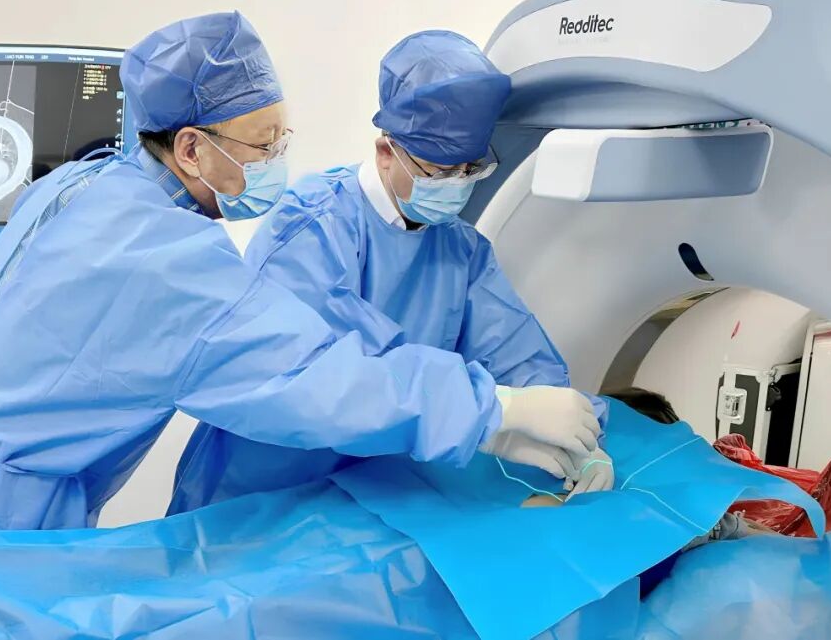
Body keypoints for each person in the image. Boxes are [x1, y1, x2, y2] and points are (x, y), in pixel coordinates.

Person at [0, 13, 599, 534]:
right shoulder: (166, 260)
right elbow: (314, 374)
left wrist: (549, 411)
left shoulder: (84, 185)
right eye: (263, 145)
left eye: (281, 138)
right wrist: (493, 411)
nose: (278, 159)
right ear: (191, 148)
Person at [170, 30, 613, 514]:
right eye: (440, 172)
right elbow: (332, 380)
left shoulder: (461, 249)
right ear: (386, 151)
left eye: (471, 169)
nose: (458, 185)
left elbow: (514, 350)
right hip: (265, 485)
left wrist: (578, 437)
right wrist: (490, 412)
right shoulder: (313, 226)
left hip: (374, 492)